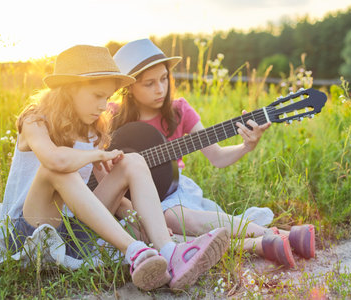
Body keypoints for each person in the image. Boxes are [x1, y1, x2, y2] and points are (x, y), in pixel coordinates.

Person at [0, 45, 230, 291]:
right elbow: (55, 160)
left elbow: (107, 196)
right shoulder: (35, 121)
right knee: (56, 171)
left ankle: (169, 251)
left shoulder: (92, 129)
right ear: (69, 89)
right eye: (97, 96)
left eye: (107, 98)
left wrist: (139, 219)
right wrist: (97, 154)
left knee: (132, 161)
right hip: (32, 229)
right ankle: (135, 252)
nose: (103, 105)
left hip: (76, 234)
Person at [110, 39, 316, 268]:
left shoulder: (179, 110)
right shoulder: (111, 117)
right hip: (128, 200)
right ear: (128, 88)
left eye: (163, 78)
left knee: (172, 217)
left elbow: (217, 157)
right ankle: (261, 244)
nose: (160, 89)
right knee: (161, 238)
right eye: (149, 83)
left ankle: (275, 235)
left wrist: (246, 146)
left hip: (171, 192)